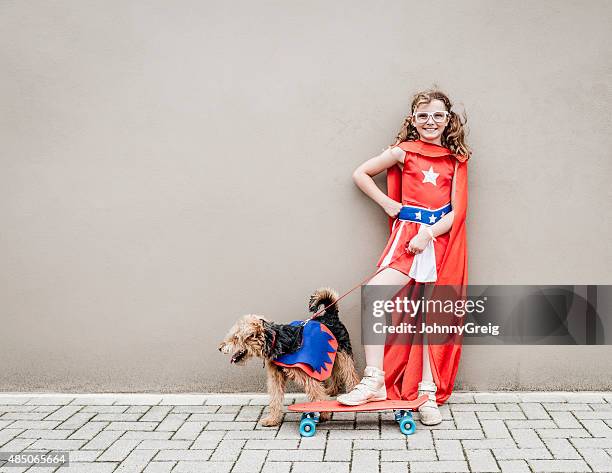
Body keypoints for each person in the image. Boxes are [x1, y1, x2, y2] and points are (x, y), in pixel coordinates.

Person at [336, 88, 471, 425]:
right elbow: (361, 174)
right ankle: (375, 379)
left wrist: (430, 234)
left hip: (438, 241)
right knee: (374, 295)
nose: (430, 121)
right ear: (413, 119)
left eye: (438, 115)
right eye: (423, 115)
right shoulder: (402, 153)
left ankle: (426, 392)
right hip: (406, 239)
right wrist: (388, 204)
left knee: (428, 315)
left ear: (447, 120)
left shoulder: (456, 160)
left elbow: (456, 211)